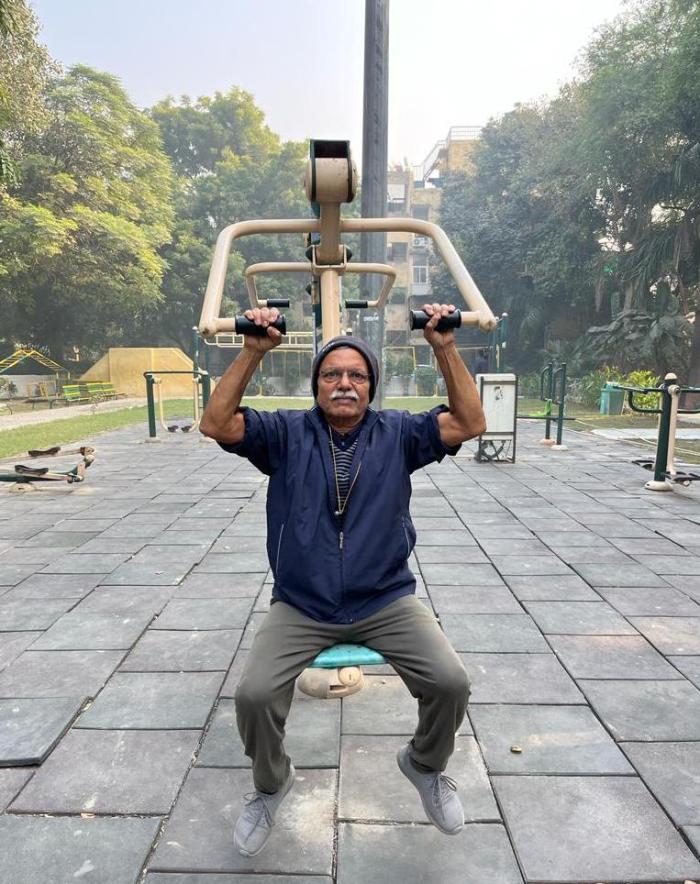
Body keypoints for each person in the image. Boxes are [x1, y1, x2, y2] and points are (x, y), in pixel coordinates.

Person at [199, 302, 486, 857]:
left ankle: (425, 764)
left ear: (371, 386)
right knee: (254, 696)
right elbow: (216, 424)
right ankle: (271, 784)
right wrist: (253, 350)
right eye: (332, 374)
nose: (345, 384)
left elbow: (470, 423)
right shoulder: (284, 434)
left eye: (357, 375)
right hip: (302, 604)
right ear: (316, 385)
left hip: (384, 599)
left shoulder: (400, 433)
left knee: (450, 682)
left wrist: (445, 346)